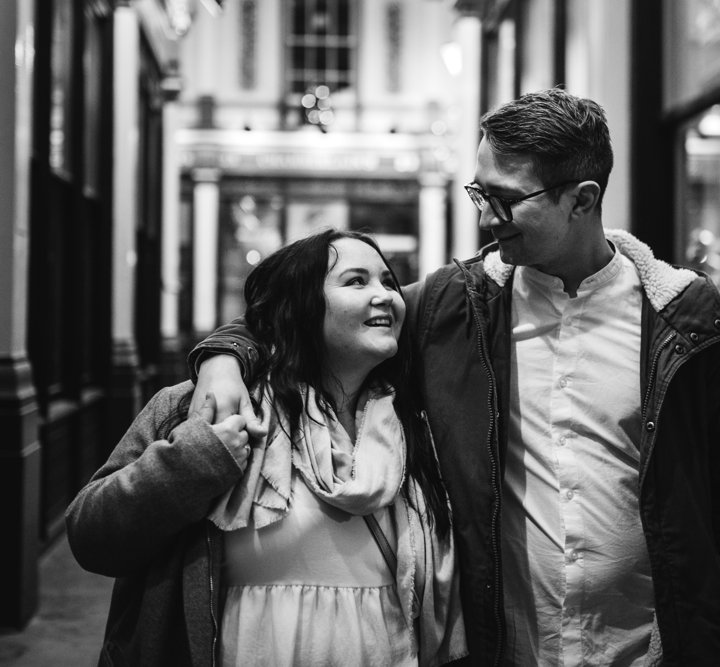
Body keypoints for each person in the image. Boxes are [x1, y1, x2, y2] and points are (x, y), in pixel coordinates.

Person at [189, 88, 720, 666]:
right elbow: (302, 318)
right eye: (479, 192)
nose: (484, 216)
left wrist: (713, 620)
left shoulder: (684, 315)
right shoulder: (454, 303)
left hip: (651, 647)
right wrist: (223, 356)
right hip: (509, 646)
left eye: (504, 198)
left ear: (582, 198)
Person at [65, 229, 467, 666]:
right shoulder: (206, 405)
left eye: (388, 282)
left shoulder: (418, 421)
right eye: (356, 281)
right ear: (300, 306)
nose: (385, 295)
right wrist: (193, 460)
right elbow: (92, 537)